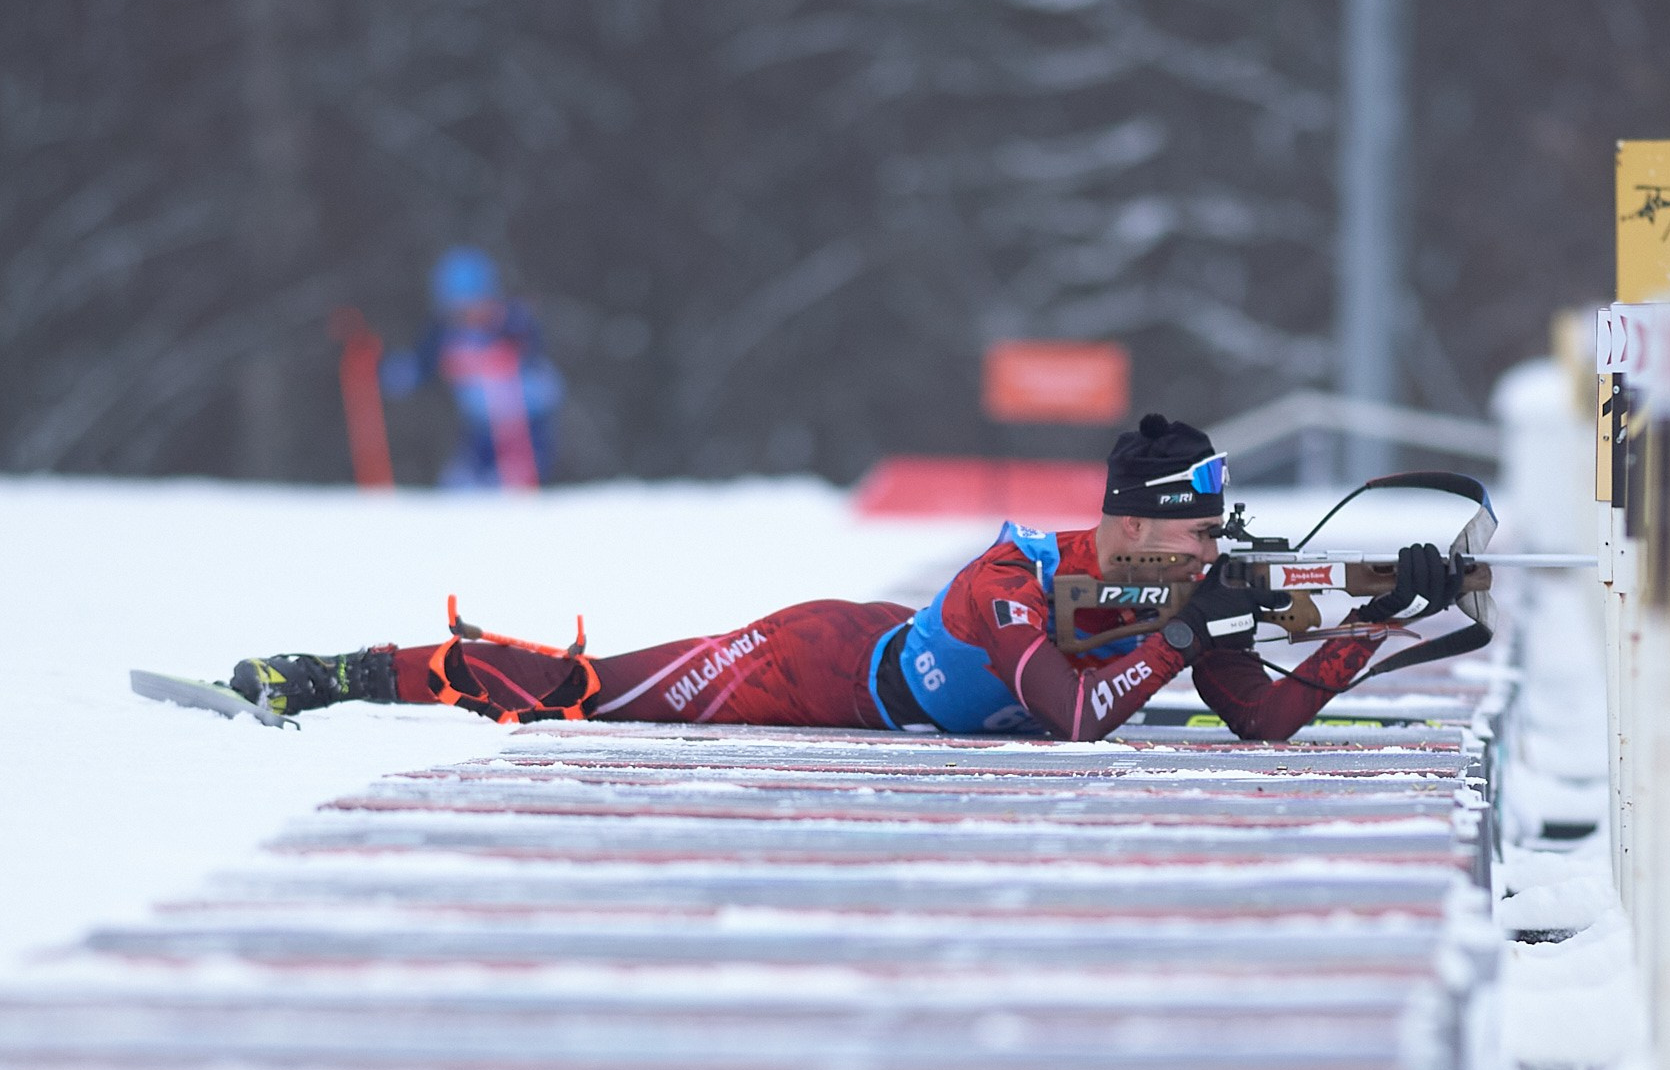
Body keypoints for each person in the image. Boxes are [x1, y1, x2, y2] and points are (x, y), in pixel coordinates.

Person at [224, 414, 1462, 744]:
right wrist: (1191, 638)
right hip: (810, 667)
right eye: (1197, 536)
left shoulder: (1164, 595)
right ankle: (339, 675)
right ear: (1137, 530)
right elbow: (1075, 719)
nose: (1211, 555)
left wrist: (1377, 621)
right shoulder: (1012, 578)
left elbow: (1265, 720)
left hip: (874, 652)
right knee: (579, 689)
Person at [381, 246, 564, 489]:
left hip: (525, 427)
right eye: (458, 310)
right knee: (462, 486)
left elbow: (536, 360)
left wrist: (508, 355)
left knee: (512, 486)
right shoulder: (443, 334)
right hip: (480, 428)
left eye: (474, 306)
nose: (468, 316)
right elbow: (417, 367)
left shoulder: (513, 322)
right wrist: (392, 372)